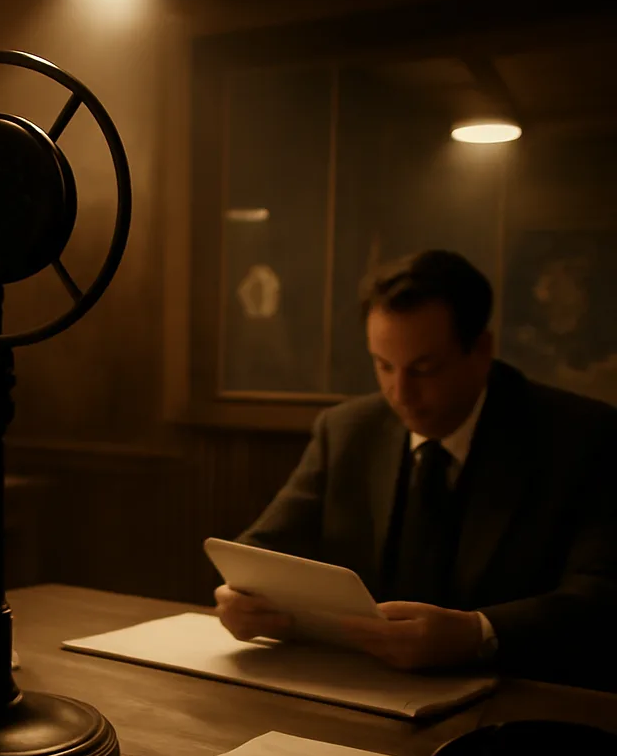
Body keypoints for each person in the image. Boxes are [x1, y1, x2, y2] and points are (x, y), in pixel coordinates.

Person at [216, 249, 617, 692]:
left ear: (481, 350)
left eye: (425, 369)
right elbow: (261, 548)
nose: (400, 393)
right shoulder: (348, 429)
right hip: (362, 691)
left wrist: (477, 633)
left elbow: (602, 598)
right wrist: (239, 597)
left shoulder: (582, 437)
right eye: (383, 366)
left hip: (520, 700)